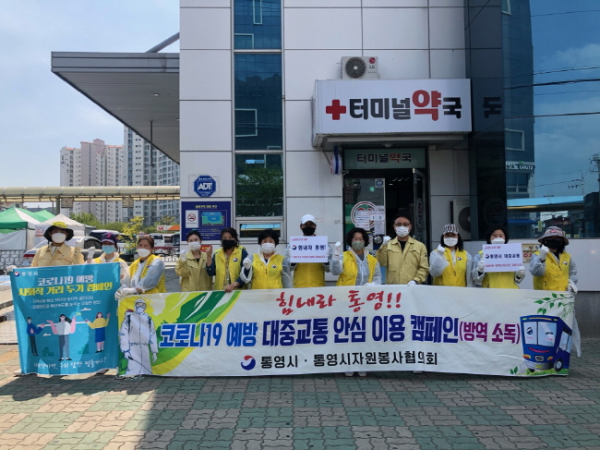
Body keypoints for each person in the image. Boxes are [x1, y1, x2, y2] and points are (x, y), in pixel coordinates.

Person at [331, 227, 381, 378]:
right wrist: (336, 255)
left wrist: (374, 285)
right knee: (347, 333)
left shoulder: (372, 259)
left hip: (365, 301)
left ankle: (362, 363)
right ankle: (347, 363)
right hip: (346, 301)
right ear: (350, 241)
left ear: (365, 241)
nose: (358, 241)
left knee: (363, 333)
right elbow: (335, 271)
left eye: (361, 239)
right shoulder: (344, 256)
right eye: (355, 239)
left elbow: (377, 277)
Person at [375, 213, 428, 285]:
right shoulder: (388, 245)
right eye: (398, 224)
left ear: (410, 226)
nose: (402, 227)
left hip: (413, 287)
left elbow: (424, 268)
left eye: (405, 224)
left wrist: (416, 281)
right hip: (393, 288)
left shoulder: (420, 246)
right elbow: (381, 263)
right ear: (394, 226)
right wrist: (383, 246)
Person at [530, 226, 577, 292]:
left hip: (563, 295)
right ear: (544, 241)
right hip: (544, 296)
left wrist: (571, 283)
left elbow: (572, 273)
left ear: (561, 241)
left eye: (557, 238)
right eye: (550, 238)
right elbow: (536, 272)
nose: (553, 240)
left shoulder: (567, 257)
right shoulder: (537, 255)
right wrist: (541, 258)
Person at [290, 214, 331, 288]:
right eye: (306, 224)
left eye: (311, 224)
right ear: (301, 226)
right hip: (299, 287)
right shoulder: (294, 245)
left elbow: (329, 269)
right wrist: (292, 261)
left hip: (318, 287)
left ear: (315, 226)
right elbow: (287, 268)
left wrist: (326, 261)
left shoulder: (323, 244)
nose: (308, 227)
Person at [119, 299, 158, 375]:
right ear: (135, 306)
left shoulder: (148, 319)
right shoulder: (129, 318)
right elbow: (124, 334)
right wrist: (125, 350)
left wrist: (154, 351)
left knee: (146, 369)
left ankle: (145, 379)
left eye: (142, 305)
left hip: (145, 346)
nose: (140, 307)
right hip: (133, 347)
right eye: (138, 305)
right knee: (132, 368)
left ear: (145, 307)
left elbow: (152, 335)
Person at [206, 228, 247, 292]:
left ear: (235, 239)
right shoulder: (217, 254)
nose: (227, 239)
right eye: (225, 238)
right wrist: (208, 256)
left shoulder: (242, 253)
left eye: (230, 238)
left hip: (237, 292)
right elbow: (210, 272)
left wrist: (234, 285)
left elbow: (246, 273)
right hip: (220, 292)